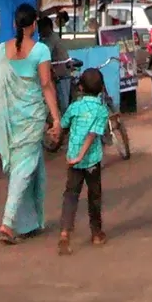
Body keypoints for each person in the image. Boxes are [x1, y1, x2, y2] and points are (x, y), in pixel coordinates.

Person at [0, 2, 61, 245]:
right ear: (34, 25)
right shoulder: (40, 51)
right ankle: (8, 222)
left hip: (8, 120)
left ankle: (31, 222)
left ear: (14, 24)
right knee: (24, 170)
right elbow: (46, 85)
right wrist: (56, 118)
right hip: (30, 119)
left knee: (35, 170)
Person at [58, 67, 110, 253]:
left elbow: (63, 124)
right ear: (102, 88)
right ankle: (96, 233)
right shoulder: (101, 110)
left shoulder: (75, 106)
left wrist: (74, 154)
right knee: (94, 196)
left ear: (80, 87)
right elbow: (92, 134)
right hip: (91, 161)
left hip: (73, 160)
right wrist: (82, 155)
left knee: (71, 195)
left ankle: (65, 233)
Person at [38, 15, 74, 114]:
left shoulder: (52, 39)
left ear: (48, 27)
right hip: (56, 75)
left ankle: (64, 126)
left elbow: (44, 54)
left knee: (63, 104)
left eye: (41, 28)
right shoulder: (45, 39)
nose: (39, 30)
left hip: (62, 74)